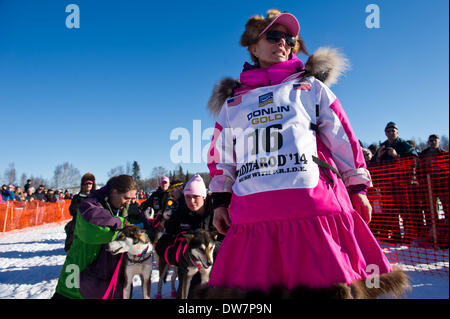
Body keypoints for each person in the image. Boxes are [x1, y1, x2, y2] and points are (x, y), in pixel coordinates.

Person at [204, 9, 409, 298]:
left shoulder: (310, 87)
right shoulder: (234, 102)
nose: (283, 43)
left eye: (290, 39)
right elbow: (222, 158)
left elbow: (342, 138)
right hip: (254, 217)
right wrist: (220, 202)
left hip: (313, 210)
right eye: (273, 36)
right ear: (253, 47)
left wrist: (358, 187)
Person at [52, 174, 137, 299]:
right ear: (114, 192)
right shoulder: (90, 204)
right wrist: (121, 224)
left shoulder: (119, 207)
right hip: (77, 276)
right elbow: (94, 230)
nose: (128, 202)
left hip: (101, 279)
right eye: (126, 198)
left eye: (131, 199)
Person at [155, 174, 223, 299]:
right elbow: (161, 245)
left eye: (195, 197)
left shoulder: (216, 213)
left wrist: (210, 249)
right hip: (188, 276)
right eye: (187, 197)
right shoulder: (180, 214)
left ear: (204, 196)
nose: (191, 201)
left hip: (216, 272)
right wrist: (178, 255)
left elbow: (229, 243)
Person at [64, 173, 97, 252]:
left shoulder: (97, 197)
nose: (88, 185)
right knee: (71, 228)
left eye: (90, 183)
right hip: (78, 222)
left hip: (93, 224)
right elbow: (72, 210)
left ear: (93, 184)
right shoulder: (77, 197)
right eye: (86, 183)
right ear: (82, 185)